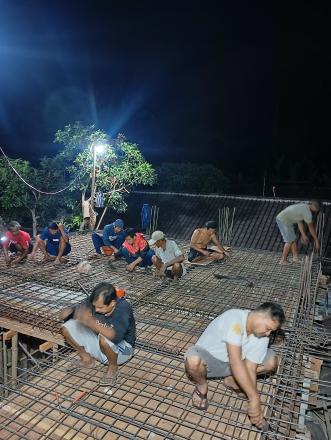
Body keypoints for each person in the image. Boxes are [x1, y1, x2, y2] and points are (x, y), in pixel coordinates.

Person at [184, 302, 285, 429]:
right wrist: (254, 399)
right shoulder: (235, 320)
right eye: (268, 328)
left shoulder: (262, 337)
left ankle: (232, 381)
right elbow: (235, 362)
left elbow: (250, 368)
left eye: (271, 331)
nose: (268, 334)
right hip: (211, 364)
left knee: (271, 362)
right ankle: (201, 386)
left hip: (234, 368)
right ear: (260, 316)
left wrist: (253, 401)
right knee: (193, 362)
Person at [61, 282, 135, 385]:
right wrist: (69, 312)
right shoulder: (94, 301)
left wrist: (91, 322)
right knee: (67, 327)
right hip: (100, 341)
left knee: (104, 338)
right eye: (95, 306)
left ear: (112, 303)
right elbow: (70, 312)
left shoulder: (123, 308)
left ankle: (113, 368)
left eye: (100, 307)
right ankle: (86, 359)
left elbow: (115, 337)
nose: (96, 309)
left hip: (124, 349)